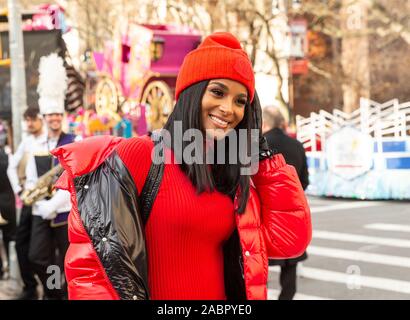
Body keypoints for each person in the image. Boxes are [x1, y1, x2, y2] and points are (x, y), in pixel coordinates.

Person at [52, 32, 312, 300]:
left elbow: (289, 241)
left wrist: (265, 158)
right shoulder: (140, 154)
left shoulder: (230, 172)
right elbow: (91, 271)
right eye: (218, 92)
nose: (228, 109)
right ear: (191, 93)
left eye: (240, 101)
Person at [24, 53, 75, 299]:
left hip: (64, 213)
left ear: (62, 117)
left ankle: (59, 294)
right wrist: (37, 200)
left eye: (58, 114)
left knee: (64, 260)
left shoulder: (73, 142)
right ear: (44, 117)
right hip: (42, 213)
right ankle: (53, 290)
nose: (54, 118)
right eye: (50, 115)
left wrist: (54, 204)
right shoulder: (36, 143)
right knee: (37, 256)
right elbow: (33, 176)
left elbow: (75, 181)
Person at [262, 106, 309, 300]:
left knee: (258, 270)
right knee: (290, 269)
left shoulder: (259, 145)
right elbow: (305, 181)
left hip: (266, 218)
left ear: (263, 124)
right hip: (293, 218)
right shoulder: (297, 145)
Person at [6, 107, 45, 299]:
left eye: (32, 120)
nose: (29, 124)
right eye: (26, 120)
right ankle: (30, 287)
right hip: (30, 201)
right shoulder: (27, 142)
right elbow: (11, 167)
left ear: (41, 119)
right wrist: (18, 190)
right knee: (21, 245)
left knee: (42, 252)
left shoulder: (50, 140)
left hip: (49, 205)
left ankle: (52, 289)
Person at [0, 120, 16, 280]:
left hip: (5, 201)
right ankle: (12, 269)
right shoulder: (8, 155)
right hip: (8, 202)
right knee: (10, 237)